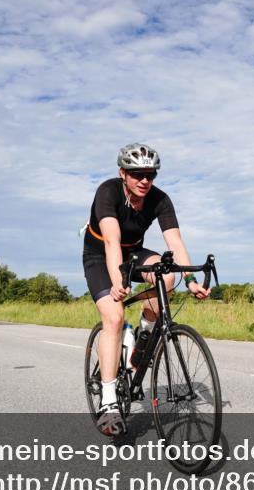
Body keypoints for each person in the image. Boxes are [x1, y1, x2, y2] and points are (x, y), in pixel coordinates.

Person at [83, 143, 210, 435]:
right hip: (100, 256)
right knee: (114, 317)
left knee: (167, 277)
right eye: (137, 174)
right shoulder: (108, 192)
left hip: (133, 253)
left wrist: (190, 280)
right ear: (123, 173)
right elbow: (111, 242)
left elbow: (175, 242)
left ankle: (142, 336)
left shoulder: (160, 199)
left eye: (150, 175)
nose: (144, 180)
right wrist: (119, 282)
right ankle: (109, 401)